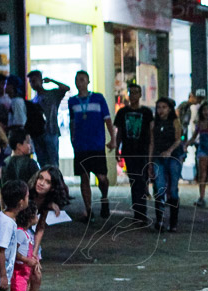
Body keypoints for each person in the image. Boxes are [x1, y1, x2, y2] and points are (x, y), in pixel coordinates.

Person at [67, 70, 115, 221]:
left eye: (82, 79)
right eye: (77, 80)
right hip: (81, 145)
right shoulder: (72, 101)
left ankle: (104, 198)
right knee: (84, 178)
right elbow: (72, 122)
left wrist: (113, 138)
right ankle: (88, 210)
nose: (79, 82)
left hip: (97, 144)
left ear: (88, 81)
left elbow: (107, 119)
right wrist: (72, 140)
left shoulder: (98, 98)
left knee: (102, 178)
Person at [114, 84, 155, 228]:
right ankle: (138, 213)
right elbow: (119, 133)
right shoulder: (122, 112)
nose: (134, 95)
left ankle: (141, 213)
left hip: (142, 151)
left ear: (140, 95)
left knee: (141, 181)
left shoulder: (147, 112)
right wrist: (117, 149)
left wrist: (151, 153)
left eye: (137, 93)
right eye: (132, 93)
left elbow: (151, 134)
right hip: (129, 151)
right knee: (134, 181)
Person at [11, 203, 43, 291]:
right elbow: (13, 252)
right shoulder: (19, 233)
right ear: (30, 218)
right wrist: (26, 260)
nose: (38, 217)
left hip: (24, 273)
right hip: (18, 273)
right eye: (36, 214)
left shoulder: (26, 233)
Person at [151, 97, 183, 232]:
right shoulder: (153, 124)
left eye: (164, 107)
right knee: (159, 188)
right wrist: (149, 161)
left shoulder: (175, 122)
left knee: (173, 189)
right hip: (158, 157)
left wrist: (170, 151)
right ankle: (159, 220)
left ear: (169, 109)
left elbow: (178, 139)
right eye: (159, 107)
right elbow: (151, 143)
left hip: (173, 157)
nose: (161, 110)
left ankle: (173, 222)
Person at [27, 70, 69, 168]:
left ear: (41, 80)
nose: (33, 84)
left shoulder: (52, 94)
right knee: (42, 161)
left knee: (52, 161)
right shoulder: (34, 100)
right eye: (31, 82)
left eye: (34, 80)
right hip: (38, 135)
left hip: (51, 131)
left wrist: (52, 81)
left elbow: (66, 88)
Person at [189, 100, 208, 208]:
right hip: (203, 148)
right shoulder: (200, 123)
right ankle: (202, 196)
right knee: (203, 173)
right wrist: (187, 143)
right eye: (204, 110)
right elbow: (194, 136)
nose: (206, 112)